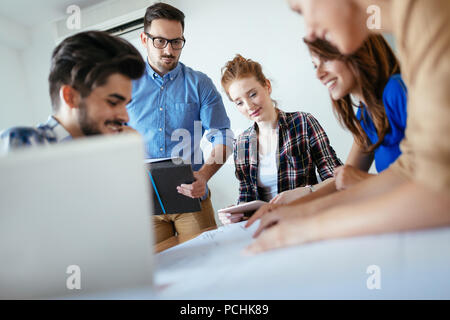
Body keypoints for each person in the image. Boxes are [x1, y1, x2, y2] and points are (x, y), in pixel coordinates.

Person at [244, 0, 450, 254]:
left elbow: (438, 188)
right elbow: (411, 169)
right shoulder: (367, 111)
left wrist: (308, 227)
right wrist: (300, 210)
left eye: (302, 9)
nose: (308, 30)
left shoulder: (423, 18)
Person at [126, 2, 234, 243]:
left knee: (206, 268)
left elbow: (222, 135)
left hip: (191, 197)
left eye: (176, 42)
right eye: (160, 41)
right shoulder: (124, 84)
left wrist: (204, 175)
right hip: (144, 203)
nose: (169, 50)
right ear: (144, 39)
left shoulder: (200, 84)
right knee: (162, 276)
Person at [269, 34, 407, 206]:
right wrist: (290, 204)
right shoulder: (366, 113)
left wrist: (366, 181)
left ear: (357, 51)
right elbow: (344, 179)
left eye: (326, 59)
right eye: (315, 66)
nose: (319, 74)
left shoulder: (396, 90)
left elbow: (433, 178)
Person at [218, 54, 342, 225]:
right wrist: (235, 214)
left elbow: (339, 179)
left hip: (307, 218)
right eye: (239, 103)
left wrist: (306, 191)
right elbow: (246, 200)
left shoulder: (303, 123)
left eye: (252, 94)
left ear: (267, 86)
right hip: (267, 226)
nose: (249, 106)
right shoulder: (241, 144)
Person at [0, 31, 145, 154]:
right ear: (70, 97)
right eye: (113, 102)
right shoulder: (20, 142)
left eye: (125, 104)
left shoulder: (106, 151)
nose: (125, 116)